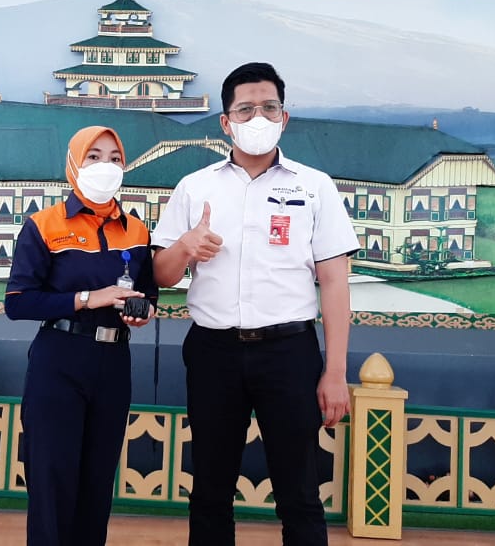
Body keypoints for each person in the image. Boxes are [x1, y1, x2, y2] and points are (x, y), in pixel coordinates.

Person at [151, 62, 359, 546]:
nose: (258, 117)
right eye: (246, 109)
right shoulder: (195, 187)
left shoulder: (315, 186)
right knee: (210, 490)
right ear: (226, 122)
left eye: (269, 107)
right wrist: (185, 247)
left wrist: (334, 372)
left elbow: (334, 283)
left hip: (289, 353)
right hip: (214, 352)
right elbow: (162, 274)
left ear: (285, 117)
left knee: (299, 493)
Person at [5, 125, 158, 546]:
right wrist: (89, 298)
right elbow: (18, 303)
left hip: (113, 363)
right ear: (73, 163)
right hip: (60, 359)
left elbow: (148, 293)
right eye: (94, 156)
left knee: (97, 482)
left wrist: (143, 311)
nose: (105, 165)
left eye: (114, 158)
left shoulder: (137, 230)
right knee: (52, 480)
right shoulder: (44, 225)